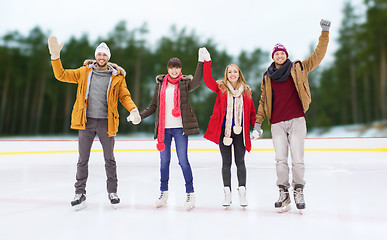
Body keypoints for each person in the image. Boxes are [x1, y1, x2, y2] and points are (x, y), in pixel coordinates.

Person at [47, 36, 141, 210]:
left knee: (109, 159)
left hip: (106, 123)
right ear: (95, 56)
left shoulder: (117, 77)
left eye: (104, 55)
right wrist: (55, 57)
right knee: (83, 159)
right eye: (99, 54)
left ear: (108, 57)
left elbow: (125, 96)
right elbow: (61, 75)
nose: (101, 57)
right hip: (86, 122)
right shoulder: (84, 72)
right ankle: (79, 193)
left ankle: (113, 192)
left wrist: (133, 110)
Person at [253, 19, 331, 212]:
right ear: (273, 57)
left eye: (282, 53)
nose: (280, 56)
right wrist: (257, 123)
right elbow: (263, 101)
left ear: (286, 55)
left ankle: (298, 190)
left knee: (297, 159)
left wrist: (324, 33)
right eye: (276, 53)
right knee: (280, 160)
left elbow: (318, 55)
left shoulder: (298, 68)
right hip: (277, 123)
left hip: (296, 120)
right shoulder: (267, 77)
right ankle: (283, 192)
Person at [132, 54, 203, 211]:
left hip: (180, 129)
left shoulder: (184, 83)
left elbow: (197, 81)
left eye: (177, 67)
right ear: (168, 69)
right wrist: (140, 116)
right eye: (172, 67)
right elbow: (153, 106)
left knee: (183, 161)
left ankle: (190, 193)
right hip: (164, 129)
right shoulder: (160, 85)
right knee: (164, 162)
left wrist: (200, 62)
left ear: (180, 69)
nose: (174, 70)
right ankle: (163, 193)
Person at [200, 47, 256, 208]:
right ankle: (227, 193)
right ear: (227, 74)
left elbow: (252, 113)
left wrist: (255, 127)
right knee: (226, 163)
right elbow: (207, 78)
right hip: (224, 132)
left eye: (235, 72)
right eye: (230, 72)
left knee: (240, 162)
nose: (232, 74)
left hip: (240, 133)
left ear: (239, 74)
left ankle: (242, 193)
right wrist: (207, 61)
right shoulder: (221, 89)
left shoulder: (246, 92)